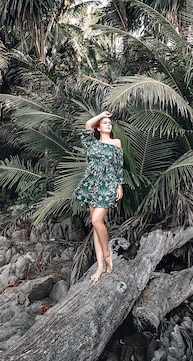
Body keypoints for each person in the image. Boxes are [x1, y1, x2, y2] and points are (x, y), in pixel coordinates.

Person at [74, 111, 124, 281]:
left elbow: (119, 166)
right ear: (98, 126)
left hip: (107, 185)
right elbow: (87, 125)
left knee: (97, 220)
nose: (108, 124)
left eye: (110, 122)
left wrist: (119, 186)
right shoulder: (91, 143)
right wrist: (101, 114)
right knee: (96, 226)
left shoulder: (116, 142)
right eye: (105, 122)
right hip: (91, 185)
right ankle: (100, 266)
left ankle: (107, 254)